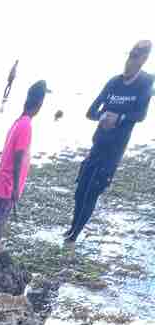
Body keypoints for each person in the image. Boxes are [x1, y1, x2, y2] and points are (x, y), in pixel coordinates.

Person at [64, 39, 153, 246]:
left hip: (113, 152)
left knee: (91, 193)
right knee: (80, 191)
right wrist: (103, 116)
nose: (131, 60)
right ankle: (72, 228)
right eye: (130, 55)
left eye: (136, 56)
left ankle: (74, 236)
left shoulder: (145, 82)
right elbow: (90, 112)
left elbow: (140, 115)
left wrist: (119, 118)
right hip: (97, 146)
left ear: (144, 59)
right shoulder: (114, 82)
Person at [0, 81, 48, 253]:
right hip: (8, 183)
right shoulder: (25, 126)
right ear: (39, 105)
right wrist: (16, 187)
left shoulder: (19, 122)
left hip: (3, 180)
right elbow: (18, 157)